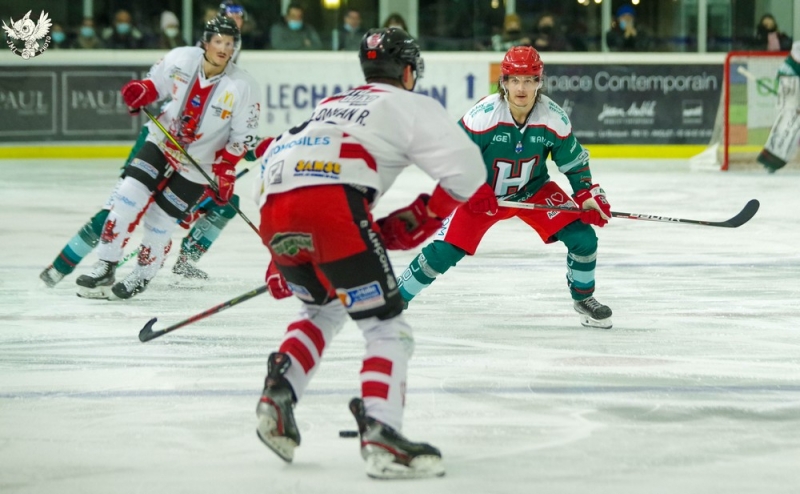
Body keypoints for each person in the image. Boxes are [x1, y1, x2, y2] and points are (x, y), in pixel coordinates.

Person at [254, 27, 492, 478]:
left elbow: (284, 174)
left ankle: (277, 396)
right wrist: (424, 215)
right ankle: (382, 433)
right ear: (408, 72)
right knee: (387, 328)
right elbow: (468, 172)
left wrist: (278, 257)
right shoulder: (408, 103)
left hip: (273, 213)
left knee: (321, 309)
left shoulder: (331, 104)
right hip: (331, 209)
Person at [396, 46, 614, 330]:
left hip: (532, 190)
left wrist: (586, 195)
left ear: (539, 82)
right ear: (504, 82)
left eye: (529, 80)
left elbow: (574, 163)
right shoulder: (483, 116)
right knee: (445, 251)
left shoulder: (553, 117)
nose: (521, 88)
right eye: (515, 80)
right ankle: (396, 296)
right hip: (482, 196)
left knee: (583, 238)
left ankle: (584, 299)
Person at [38, 4, 253, 288]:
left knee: (193, 212)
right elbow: (155, 85)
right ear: (206, 39)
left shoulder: (239, 80)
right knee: (123, 203)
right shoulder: (185, 59)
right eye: (221, 34)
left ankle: (182, 259)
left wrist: (229, 163)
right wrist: (143, 90)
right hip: (161, 142)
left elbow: (239, 132)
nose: (224, 45)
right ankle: (68, 265)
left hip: (197, 160)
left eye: (233, 32)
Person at [757, 41, 800, 172]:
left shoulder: (790, 59)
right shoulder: (793, 62)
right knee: (790, 126)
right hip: (792, 87)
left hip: (789, 88)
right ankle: (772, 161)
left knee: (786, 125)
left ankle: (771, 161)